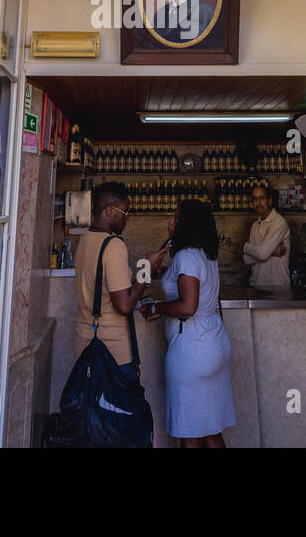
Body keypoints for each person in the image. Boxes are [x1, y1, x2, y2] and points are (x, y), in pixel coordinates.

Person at [145, 199, 237, 447]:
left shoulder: (186, 257)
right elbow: (186, 282)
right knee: (210, 429)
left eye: (176, 217)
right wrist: (153, 268)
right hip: (213, 342)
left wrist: (154, 307)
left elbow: (187, 306)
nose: (170, 222)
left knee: (190, 432)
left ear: (187, 224)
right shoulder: (204, 255)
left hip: (193, 352)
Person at [74, 181, 168, 382]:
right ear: (109, 211)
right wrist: (147, 269)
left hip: (85, 344)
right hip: (111, 353)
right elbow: (124, 304)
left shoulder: (85, 239)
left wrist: (145, 268)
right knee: (121, 411)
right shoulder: (114, 245)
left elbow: (113, 288)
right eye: (124, 212)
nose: (127, 218)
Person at [243, 184, 291, 289]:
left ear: (269, 201)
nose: (258, 203)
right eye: (255, 199)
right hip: (257, 285)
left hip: (277, 286)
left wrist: (246, 247)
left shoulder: (279, 222)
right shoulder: (255, 225)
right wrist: (271, 251)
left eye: (262, 198)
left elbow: (262, 254)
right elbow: (246, 259)